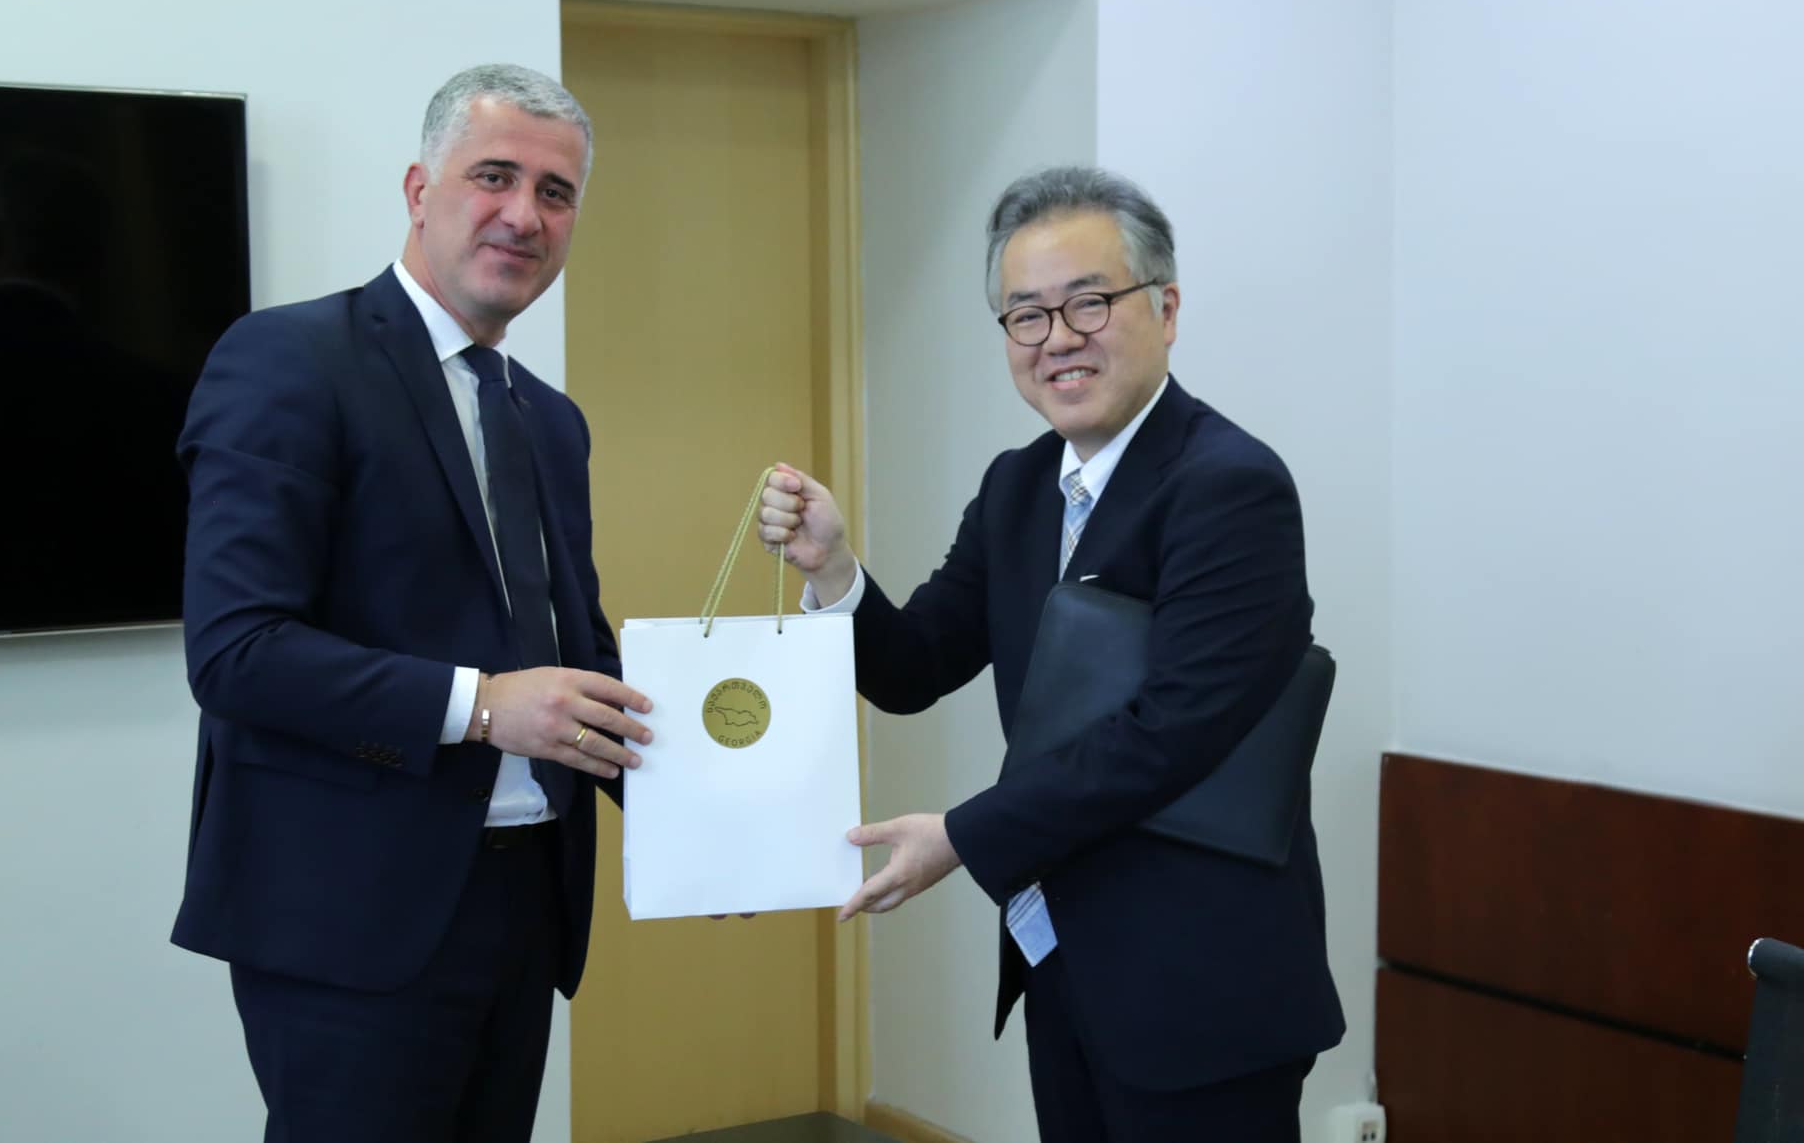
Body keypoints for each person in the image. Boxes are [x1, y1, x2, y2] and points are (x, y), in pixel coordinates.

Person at [760, 167, 1344, 1142]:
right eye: (1025, 315)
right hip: (1061, 959)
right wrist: (833, 569)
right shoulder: (1019, 486)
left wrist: (961, 835)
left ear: (1165, 309)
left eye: (1089, 302)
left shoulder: (1228, 485)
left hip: (1200, 984)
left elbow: (1173, 730)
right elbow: (913, 666)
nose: (1058, 338)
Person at [171, 63, 653, 1143]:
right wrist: (481, 707)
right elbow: (238, 652)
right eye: (494, 176)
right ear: (418, 189)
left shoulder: (549, 420)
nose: (524, 215)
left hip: (524, 905)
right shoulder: (288, 360)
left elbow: (578, 658)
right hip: (349, 920)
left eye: (556, 193)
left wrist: (713, 826)